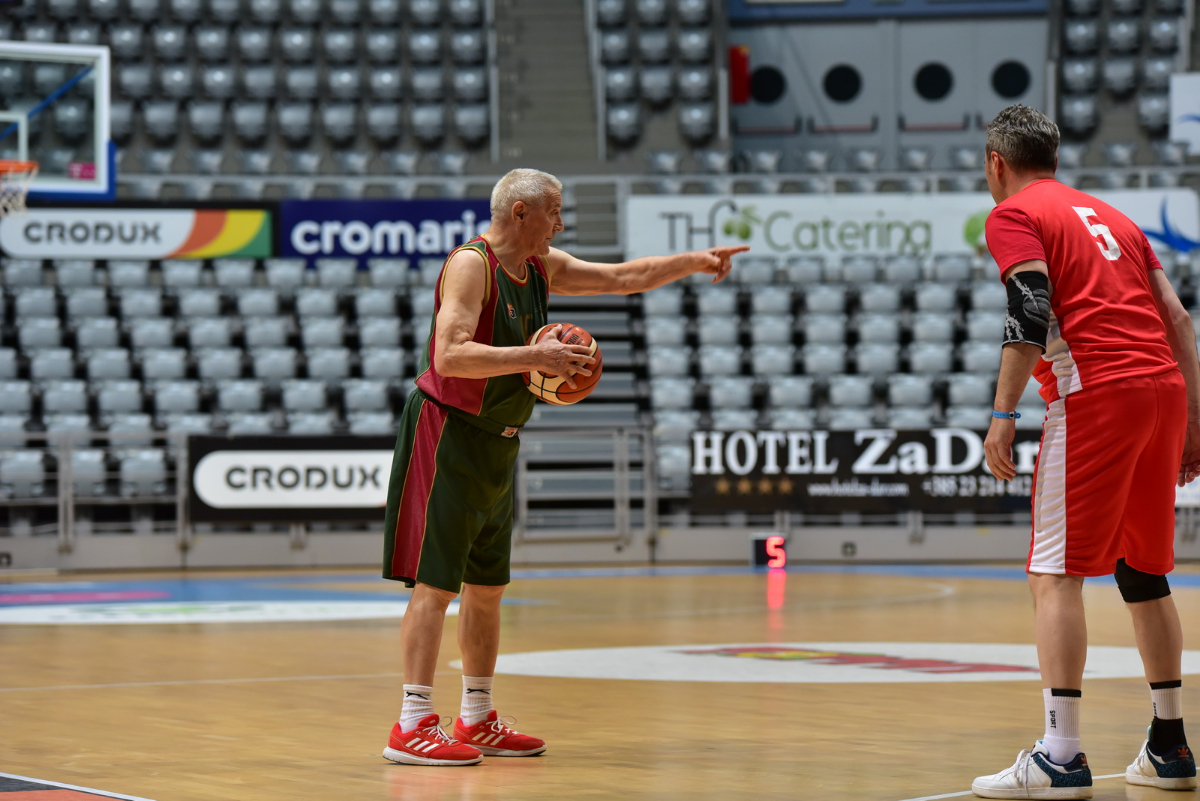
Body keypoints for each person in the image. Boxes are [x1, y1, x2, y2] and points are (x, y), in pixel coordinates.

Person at [379, 167, 747, 766]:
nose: (561, 222)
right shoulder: (471, 265)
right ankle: (412, 722)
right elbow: (448, 356)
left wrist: (694, 261)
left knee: (488, 588)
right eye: (554, 210)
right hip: (448, 429)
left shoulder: (541, 266)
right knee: (436, 584)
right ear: (520, 212)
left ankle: (476, 717)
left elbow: (623, 278)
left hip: (499, 438)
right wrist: (536, 354)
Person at [972, 104, 1198, 799]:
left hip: (1095, 391)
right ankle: (1169, 745)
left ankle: (1060, 755)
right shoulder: (1116, 218)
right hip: (1162, 391)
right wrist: (1194, 421)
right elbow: (1178, 318)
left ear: (996, 164)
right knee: (1143, 571)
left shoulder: (1014, 213)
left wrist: (1003, 413)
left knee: (1053, 573)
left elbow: (1029, 308)